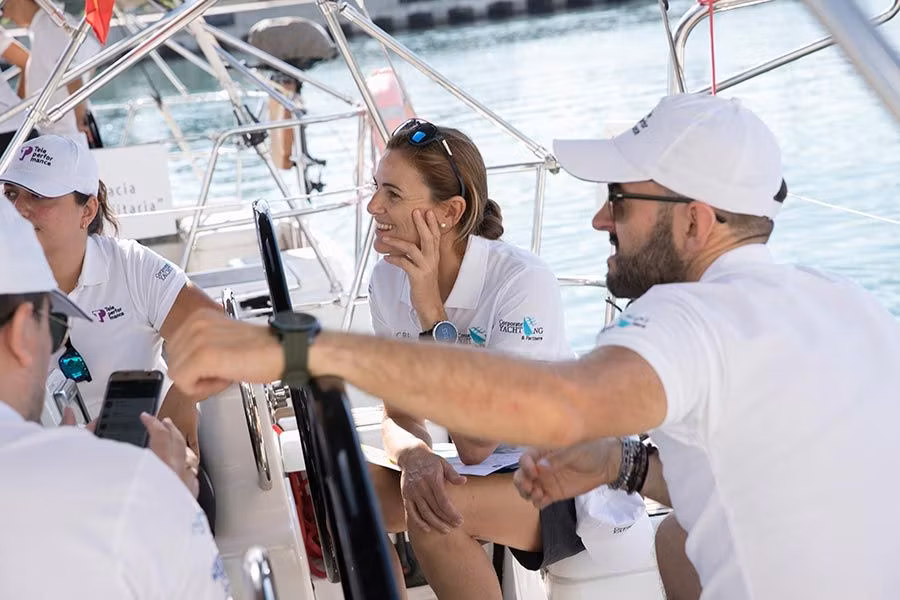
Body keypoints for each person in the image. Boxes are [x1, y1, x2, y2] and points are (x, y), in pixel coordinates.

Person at [165, 93, 900, 599]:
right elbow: (742, 472)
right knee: (679, 542)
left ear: (695, 221)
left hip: (529, 493)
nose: (599, 219)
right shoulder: (849, 304)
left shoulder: (691, 318)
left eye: (620, 200)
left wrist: (302, 350)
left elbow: (555, 405)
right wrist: (624, 460)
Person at [365, 119, 643, 599]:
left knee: (434, 514)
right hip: (494, 471)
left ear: (449, 212)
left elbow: (476, 443)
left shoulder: (520, 282)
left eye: (392, 194)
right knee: (343, 493)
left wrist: (433, 315)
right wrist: (415, 457)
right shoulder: (387, 281)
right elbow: (401, 412)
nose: (373, 207)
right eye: (376, 188)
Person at [0, 193, 230, 599]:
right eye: (52, 327)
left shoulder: (131, 265)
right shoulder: (123, 497)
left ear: (87, 211)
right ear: (21, 334)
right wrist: (169, 497)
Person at [1, 134, 221, 452]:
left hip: (144, 457)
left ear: (87, 210)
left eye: (37, 195)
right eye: (10, 193)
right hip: (40, 466)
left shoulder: (131, 266)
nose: (18, 207)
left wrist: (183, 395)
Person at [0, 0, 101, 144]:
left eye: (4, 7)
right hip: (56, 132)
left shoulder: (52, 27)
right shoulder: (45, 28)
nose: (5, 15)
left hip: (68, 133)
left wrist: (81, 120)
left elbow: (71, 72)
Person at [0, 28, 38, 151]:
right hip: (18, 126)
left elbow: (26, 61)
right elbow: (26, 61)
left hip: (15, 129)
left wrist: (20, 105)